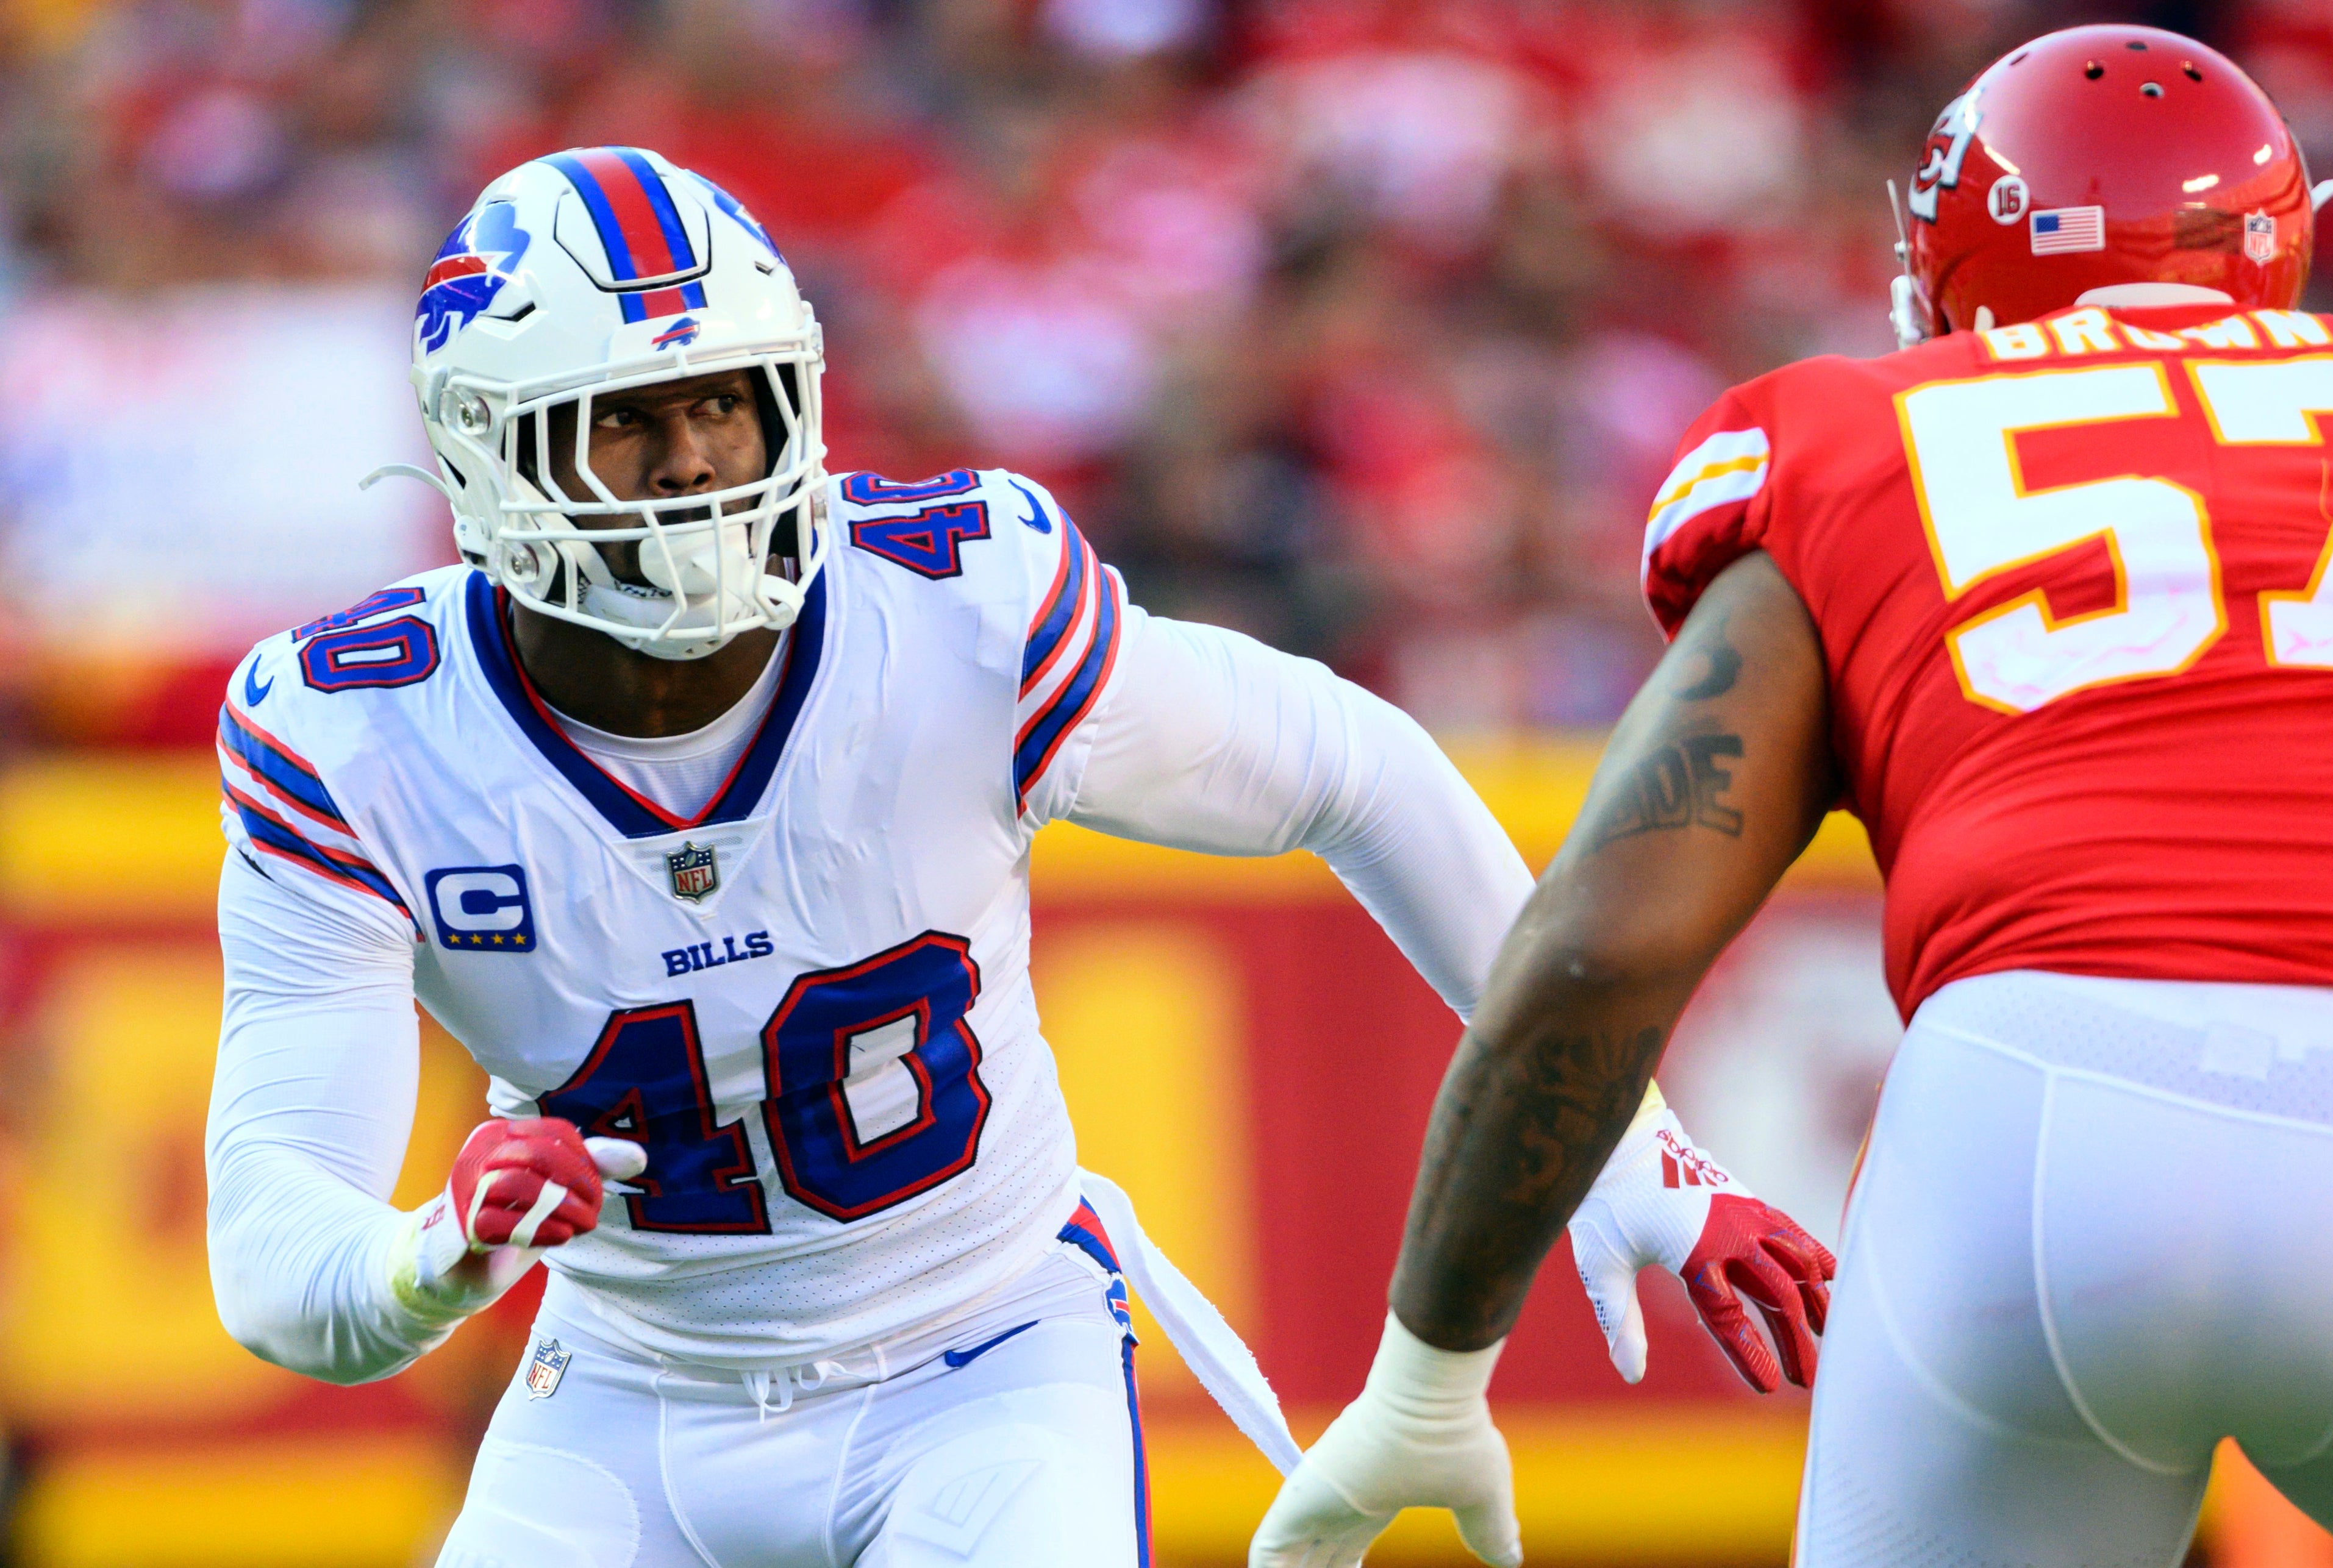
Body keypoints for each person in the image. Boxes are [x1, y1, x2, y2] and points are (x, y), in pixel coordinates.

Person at [204, 145, 1822, 1568]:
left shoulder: (953, 613)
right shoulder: (360, 739)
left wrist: (1625, 1145)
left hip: (977, 1359)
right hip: (626, 1390)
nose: (697, 461)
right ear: (492, 452)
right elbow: (275, 1251)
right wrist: (440, 1254)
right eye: (625, 421)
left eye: (723, 400)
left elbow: (1354, 767)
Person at [1252, 23, 2333, 1568]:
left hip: (2030, 1118)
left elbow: (1599, 948)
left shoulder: (1854, 433)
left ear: (1957, 264)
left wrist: (1430, 1369)